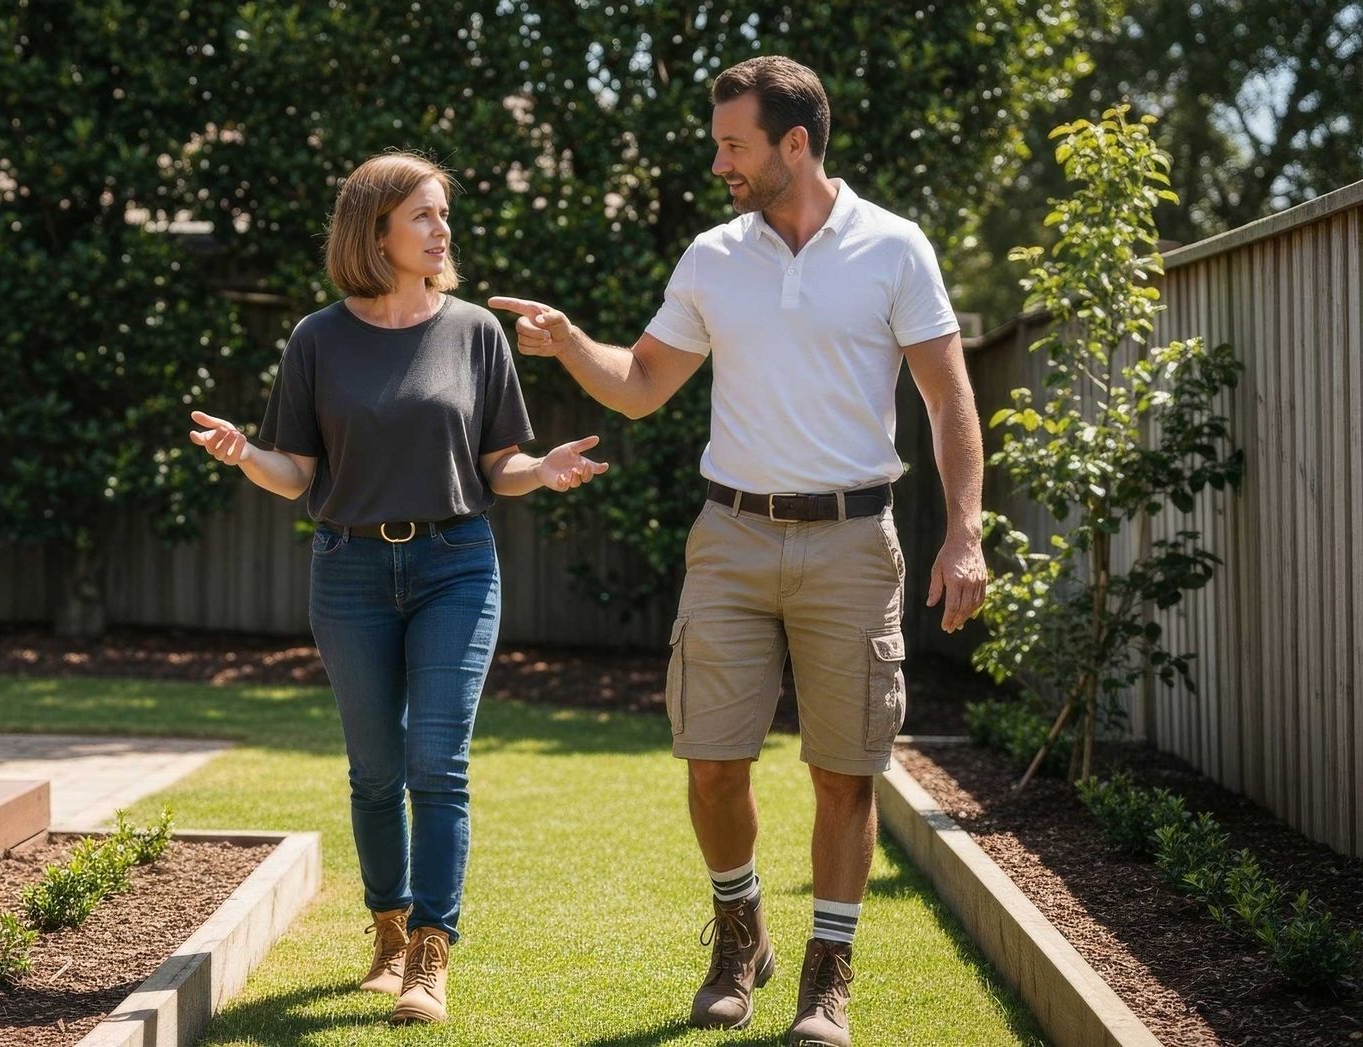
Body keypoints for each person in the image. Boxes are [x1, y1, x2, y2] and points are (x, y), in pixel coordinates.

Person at [489, 56, 987, 1047]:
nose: (719, 160)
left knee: (845, 773)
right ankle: (738, 934)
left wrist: (965, 531)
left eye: (734, 144)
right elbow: (638, 384)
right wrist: (572, 342)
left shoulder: (894, 249)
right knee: (712, 761)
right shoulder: (714, 258)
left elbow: (949, 401)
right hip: (730, 536)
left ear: (792, 145)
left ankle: (827, 979)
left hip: (853, 540)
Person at [187, 150, 607, 1026]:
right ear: (373, 229)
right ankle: (385, 928)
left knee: (437, 764)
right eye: (423, 215)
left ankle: (429, 951)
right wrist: (243, 454)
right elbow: (296, 471)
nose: (442, 230)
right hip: (350, 570)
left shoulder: (475, 333)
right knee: (376, 771)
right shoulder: (317, 338)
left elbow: (502, 465)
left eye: (443, 214)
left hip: (458, 562)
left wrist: (547, 468)